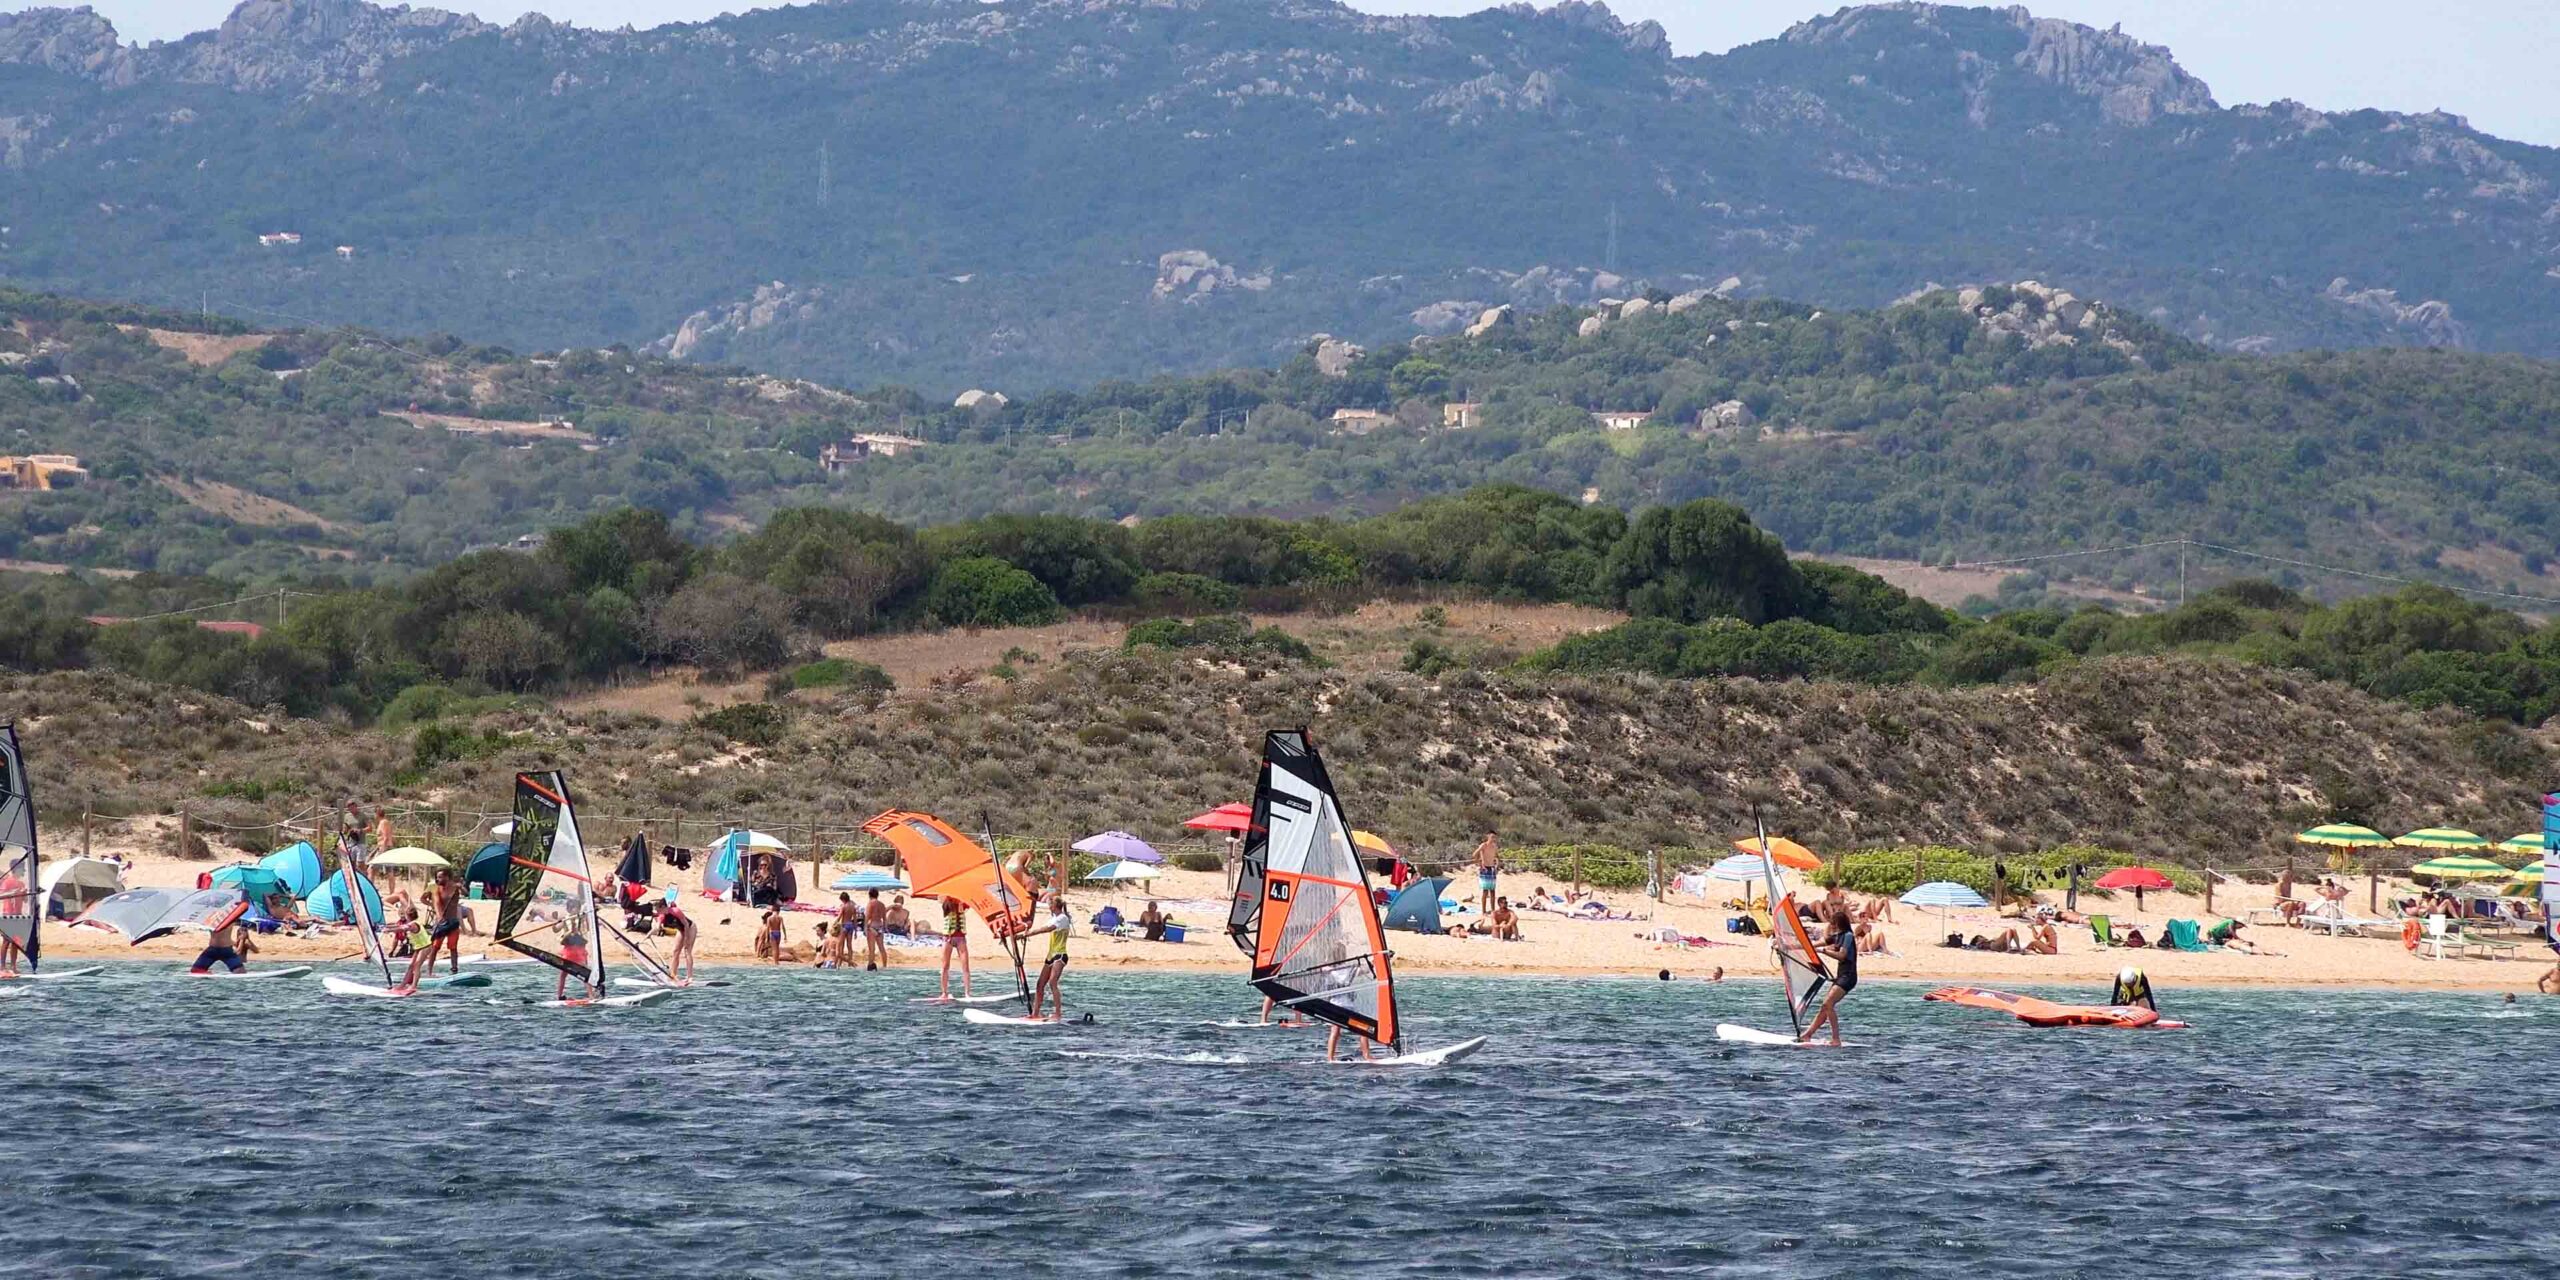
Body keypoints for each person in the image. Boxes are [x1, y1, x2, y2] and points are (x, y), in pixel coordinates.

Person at [1798, 902, 1856, 1046]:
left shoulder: (1848, 936)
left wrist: (1824, 951)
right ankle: (1807, 1035)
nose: (1830, 925)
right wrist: (1788, 946)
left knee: (1828, 1003)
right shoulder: (1836, 936)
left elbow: (1842, 956)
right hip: (1841, 976)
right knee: (1825, 1007)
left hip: (1848, 977)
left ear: (1838, 923)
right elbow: (1813, 945)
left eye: (1832, 922)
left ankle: (1836, 1039)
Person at [1023, 893, 1072, 1022]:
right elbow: (1042, 926)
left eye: (1050, 904)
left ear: (1055, 906)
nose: (1048, 906)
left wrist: (1030, 933)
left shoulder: (1063, 918)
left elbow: (1047, 929)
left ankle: (1058, 1013)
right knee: (1040, 984)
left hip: (1060, 955)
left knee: (1052, 982)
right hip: (1050, 956)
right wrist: (1024, 931)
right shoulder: (1054, 918)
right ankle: (1035, 1013)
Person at [422, 869, 464, 976]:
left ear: (447, 877)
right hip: (441, 922)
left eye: (440, 877)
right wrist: (440, 916)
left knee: (453, 947)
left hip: (453, 922)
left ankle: (454, 970)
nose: (438, 879)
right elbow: (436, 903)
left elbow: (466, 893)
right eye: (437, 877)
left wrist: (461, 887)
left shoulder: (455, 888)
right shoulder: (436, 890)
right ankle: (429, 972)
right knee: (435, 947)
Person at [934, 896, 973, 1001]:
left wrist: (960, 901)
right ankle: (944, 993)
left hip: (961, 938)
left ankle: (967, 993)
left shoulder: (962, 903)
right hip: (948, 938)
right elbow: (941, 902)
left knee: (965, 966)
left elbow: (966, 906)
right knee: (945, 966)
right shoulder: (946, 903)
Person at [189, 916, 257, 974]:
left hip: (223, 950)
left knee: (240, 973)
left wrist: (241, 940)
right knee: (195, 971)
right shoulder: (214, 917)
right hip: (216, 950)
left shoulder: (228, 917)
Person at [556, 917, 593, 1002]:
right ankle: (560, 996)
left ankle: (591, 995)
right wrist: (571, 927)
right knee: (563, 976)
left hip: (576, 958)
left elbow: (584, 951)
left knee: (586, 976)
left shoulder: (580, 938)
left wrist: (573, 926)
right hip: (569, 958)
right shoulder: (567, 938)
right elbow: (563, 940)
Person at [1471, 832, 1500, 913]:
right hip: (1485, 869)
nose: (1493, 839)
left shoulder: (1494, 846)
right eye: (1492, 837)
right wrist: (1479, 863)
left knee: (1493, 891)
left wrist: (1497, 864)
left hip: (1492, 868)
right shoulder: (1484, 845)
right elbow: (1474, 854)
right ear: (1488, 837)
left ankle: (1493, 910)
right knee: (1485, 891)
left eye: (1494, 837)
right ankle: (1483, 911)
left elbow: (1497, 856)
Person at [863, 889, 890, 971]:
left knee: (872, 949)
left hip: (872, 927)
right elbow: (885, 918)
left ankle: (870, 966)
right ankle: (884, 966)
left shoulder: (870, 904)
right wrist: (885, 927)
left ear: (869, 895)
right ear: (877, 895)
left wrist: (865, 928)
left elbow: (867, 917)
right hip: (880, 926)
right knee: (881, 948)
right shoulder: (882, 904)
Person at [832, 893, 859, 967]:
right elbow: (855, 919)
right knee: (849, 945)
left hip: (844, 926)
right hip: (851, 925)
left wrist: (834, 923)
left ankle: (839, 964)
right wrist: (856, 931)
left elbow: (839, 916)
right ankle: (850, 963)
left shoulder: (844, 906)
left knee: (841, 945)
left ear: (843, 899)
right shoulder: (853, 907)